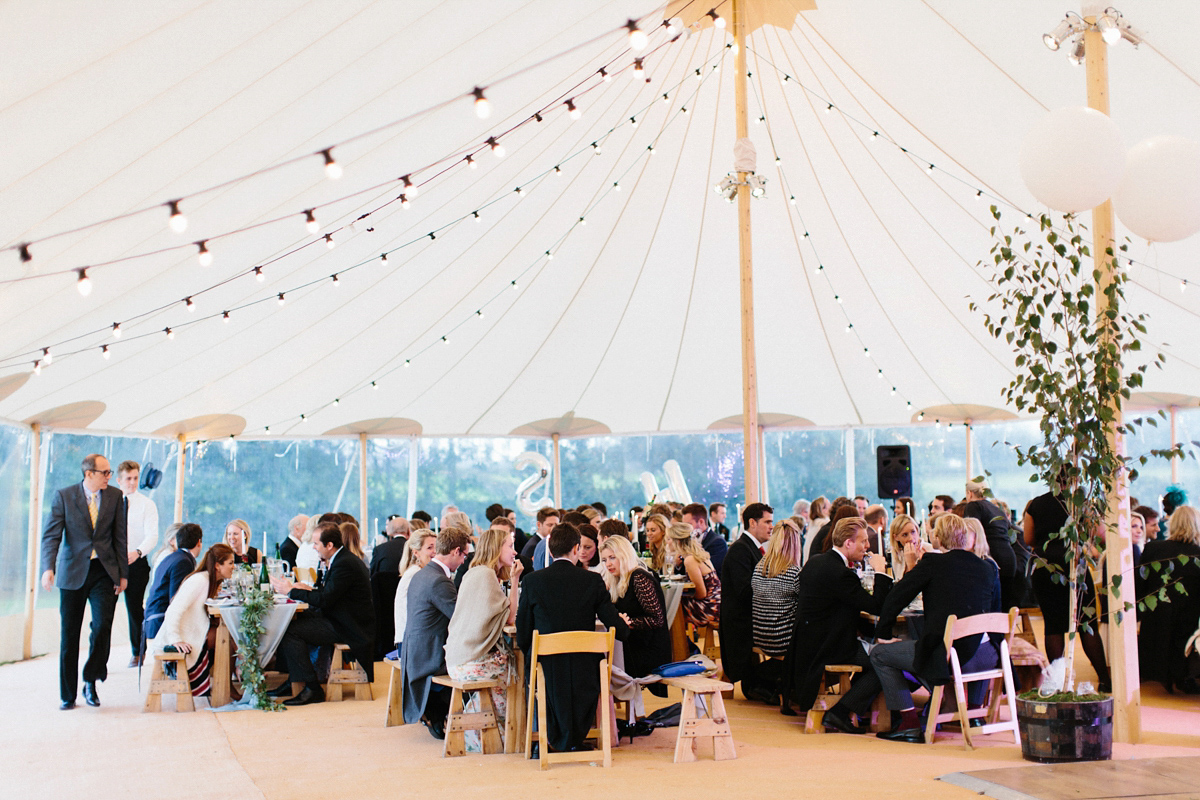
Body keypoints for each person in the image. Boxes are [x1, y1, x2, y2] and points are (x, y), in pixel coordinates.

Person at [870, 513, 1002, 742]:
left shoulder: (933, 563)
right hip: (987, 655)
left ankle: (909, 723)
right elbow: (995, 611)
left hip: (949, 657)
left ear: (939, 539)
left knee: (880, 654)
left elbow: (896, 597)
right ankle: (970, 712)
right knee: (952, 642)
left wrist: (883, 633)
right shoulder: (987, 568)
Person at [516, 523, 629, 753]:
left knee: (539, 671)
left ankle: (555, 739)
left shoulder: (532, 581)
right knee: (590, 669)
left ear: (550, 552)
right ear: (576, 548)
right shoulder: (592, 580)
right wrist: (624, 625)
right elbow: (615, 625)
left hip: (547, 666)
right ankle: (574, 738)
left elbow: (523, 632)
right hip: (585, 667)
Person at [41, 453, 128, 710]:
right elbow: (51, 536)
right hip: (72, 572)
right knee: (69, 635)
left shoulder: (115, 496)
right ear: (89, 474)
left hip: (104, 571)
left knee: (102, 627)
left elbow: (120, 537)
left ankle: (90, 679)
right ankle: (67, 694)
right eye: (105, 472)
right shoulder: (64, 496)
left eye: (110, 472)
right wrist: (48, 568)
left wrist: (122, 574)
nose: (109, 477)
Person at [789, 517, 892, 733]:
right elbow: (877, 606)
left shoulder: (816, 561)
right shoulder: (840, 573)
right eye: (863, 541)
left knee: (878, 656)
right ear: (848, 543)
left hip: (807, 644)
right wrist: (881, 572)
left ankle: (852, 708)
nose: (868, 546)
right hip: (828, 647)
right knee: (886, 662)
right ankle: (840, 713)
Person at [269, 522, 376, 705]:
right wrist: (305, 588)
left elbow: (325, 600)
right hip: (340, 618)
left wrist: (290, 591)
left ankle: (312, 688)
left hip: (350, 626)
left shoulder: (345, 564)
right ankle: (295, 680)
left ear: (329, 546)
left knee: (290, 631)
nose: (313, 547)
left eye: (316, 543)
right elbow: (329, 594)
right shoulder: (339, 559)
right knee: (290, 623)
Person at [1024, 481, 1111, 691]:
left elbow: (1028, 538)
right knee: (1086, 623)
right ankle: (1104, 679)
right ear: (1074, 480)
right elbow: (1101, 535)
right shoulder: (1081, 503)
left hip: (1045, 566)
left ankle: (1058, 682)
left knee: (1053, 626)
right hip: (1074, 564)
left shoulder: (1035, 504)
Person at [445, 528, 524, 751]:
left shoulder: (476, 572)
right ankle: (507, 737)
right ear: (496, 548)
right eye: (509, 545)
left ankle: (485, 735)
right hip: (467, 661)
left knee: (508, 669)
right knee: (516, 670)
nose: (514, 551)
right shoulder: (486, 575)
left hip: (458, 657)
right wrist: (515, 580)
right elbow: (509, 618)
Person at [402, 526, 471, 737]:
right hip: (429, 654)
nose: (463, 561)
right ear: (455, 551)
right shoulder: (439, 580)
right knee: (482, 664)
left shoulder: (423, 574)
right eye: (464, 555)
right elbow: (461, 619)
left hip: (415, 650)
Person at [151, 543, 235, 699]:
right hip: (182, 636)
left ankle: (225, 685)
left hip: (194, 631)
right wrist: (176, 639)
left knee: (229, 634)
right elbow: (173, 610)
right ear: (217, 565)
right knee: (226, 638)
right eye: (230, 563)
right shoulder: (199, 580)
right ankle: (224, 687)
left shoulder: (210, 581)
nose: (234, 567)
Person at [1137, 505, 1200, 693]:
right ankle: (1184, 676)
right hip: (1189, 619)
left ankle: (1164, 676)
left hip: (1155, 616)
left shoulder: (1153, 548)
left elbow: (1141, 584)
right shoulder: (1198, 553)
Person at [720, 502, 774, 702]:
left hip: (750, 617)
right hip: (741, 623)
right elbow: (744, 592)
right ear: (752, 522)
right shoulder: (740, 550)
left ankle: (764, 682)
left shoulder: (751, 548)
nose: (771, 527)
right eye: (767, 522)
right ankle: (763, 682)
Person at [599, 535, 670, 680]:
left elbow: (657, 619)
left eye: (612, 557)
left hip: (647, 648)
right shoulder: (617, 580)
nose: (608, 564)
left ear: (624, 555)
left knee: (603, 665)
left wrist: (627, 622)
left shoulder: (639, 577)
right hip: (633, 643)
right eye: (605, 560)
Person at [116, 460, 159, 668]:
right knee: (105, 609)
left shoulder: (147, 504)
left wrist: (138, 552)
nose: (132, 483)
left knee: (134, 608)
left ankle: (138, 652)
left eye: (135, 478)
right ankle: (99, 656)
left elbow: (152, 535)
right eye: (128, 479)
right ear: (119, 480)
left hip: (137, 562)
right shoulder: (111, 503)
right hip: (112, 563)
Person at [751, 519, 804, 660]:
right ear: (796, 544)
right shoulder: (794, 573)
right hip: (783, 642)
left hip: (760, 637)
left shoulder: (759, 568)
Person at [142, 523, 203, 645]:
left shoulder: (174, 557)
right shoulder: (183, 562)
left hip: (152, 617)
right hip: (161, 620)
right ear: (199, 542)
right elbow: (176, 599)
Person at [962, 480, 1018, 610]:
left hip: (992, 559)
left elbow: (972, 533)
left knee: (990, 609)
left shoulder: (973, 506)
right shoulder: (996, 509)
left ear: (969, 494)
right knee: (1003, 610)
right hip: (1009, 559)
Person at [666, 521, 721, 630]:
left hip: (711, 607)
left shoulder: (690, 560)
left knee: (672, 606)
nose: (667, 543)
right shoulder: (697, 554)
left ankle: (680, 645)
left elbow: (701, 594)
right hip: (717, 602)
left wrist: (685, 594)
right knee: (674, 603)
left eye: (669, 539)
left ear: (678, 542)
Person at [370, 516, 410, 659]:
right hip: (408, 598)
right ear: (408, 531)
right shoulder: (412, 548)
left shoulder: (380, 549)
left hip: (384, 600)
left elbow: (373, 575)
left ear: (390, 532)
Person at [393, 530, 437, 654]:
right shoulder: (416, 574)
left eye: (437, 547)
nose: (435, 552)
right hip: (410, 643)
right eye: (430, 548)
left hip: (412, 639)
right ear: (416, 552)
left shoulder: (419, 571)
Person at [683, 502, 728, 574]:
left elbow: (710, 570)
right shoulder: (688, 540)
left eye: (689, 524)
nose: (685, 529)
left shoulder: (717, 542)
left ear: (701, 522)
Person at [888, 514, 931, 581]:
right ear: (896, 537)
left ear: (917, 530)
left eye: (913, 532)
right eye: (905, 535)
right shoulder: (897, 554)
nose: (911, 538)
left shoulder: (929, 550)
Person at [519, 507, 560, 572]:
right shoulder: (533, 546)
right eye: (550, 525)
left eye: (556, 525)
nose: (554, 528)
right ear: (538, 524)